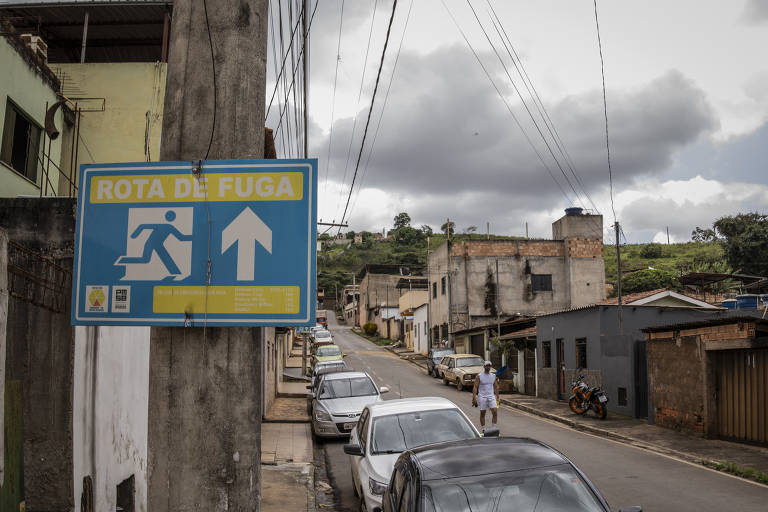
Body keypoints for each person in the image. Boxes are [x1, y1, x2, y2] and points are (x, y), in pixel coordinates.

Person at [472, 360, 499, 434]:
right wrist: (474, 398)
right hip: (482, 397)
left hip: (491, 396)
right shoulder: (479, 376)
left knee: (495, 411)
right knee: (483, 413)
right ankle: (483, 429)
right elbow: (475, 387)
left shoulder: (493, 376)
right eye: (487, 365)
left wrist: (498, 397)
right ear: (484, 366)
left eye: (489, 365)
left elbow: (496, 387)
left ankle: (494, 428)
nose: (488, 367)